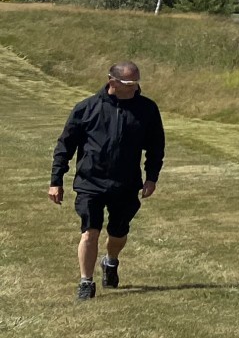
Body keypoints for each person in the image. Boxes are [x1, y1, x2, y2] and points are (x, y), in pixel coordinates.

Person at [48, 61, 164, 301]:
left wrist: (151, 177)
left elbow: (156, 146)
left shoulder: (147, 109)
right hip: (91, 182)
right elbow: (65, 146)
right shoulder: (86, 108)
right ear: (113, 82)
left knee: (118, 233)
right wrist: (56, 180)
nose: (136, 87)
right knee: (90, 231)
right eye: (131, 83)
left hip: (126, 183)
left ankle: (110, 262)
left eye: (137, 82)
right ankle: (85, 282)